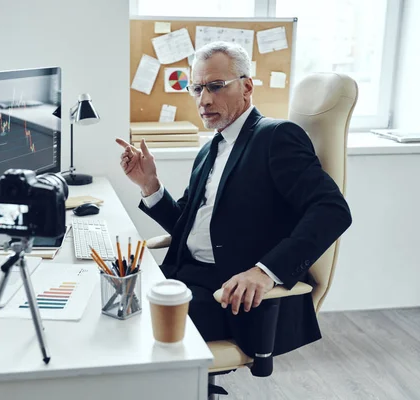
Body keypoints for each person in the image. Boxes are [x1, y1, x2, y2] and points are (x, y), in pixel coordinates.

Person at [116, 41, 352, 357]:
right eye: (197, 89)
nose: (204, 99)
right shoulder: (211, 147)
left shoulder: (276, 137)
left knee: (128, 328)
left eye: (216, 86)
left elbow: (332, 210)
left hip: (229, 295)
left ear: (247, 87)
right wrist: (150, 184)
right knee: (111, 298)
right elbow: (186, 224)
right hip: (185, 276)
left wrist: (264, 272)